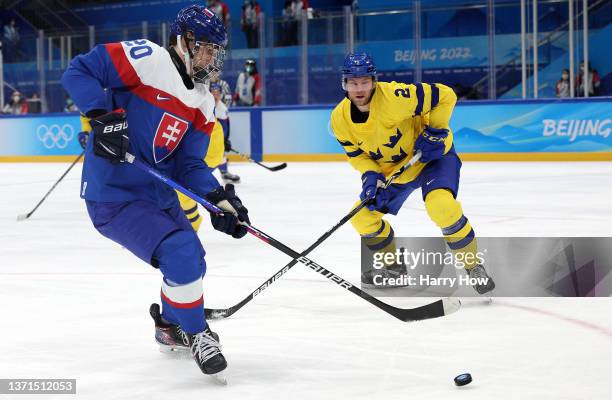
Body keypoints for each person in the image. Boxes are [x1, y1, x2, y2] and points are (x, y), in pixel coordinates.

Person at [61, 5, 250, 382]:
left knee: (192, 259)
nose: (212, 59)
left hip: (157, 193)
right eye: (207, 49)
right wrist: (101, 115)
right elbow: (79, 70)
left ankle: (169, 324)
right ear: (185, 41)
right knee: (180, 250)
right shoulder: (147, 59)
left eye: (216, 51)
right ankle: (197, 335)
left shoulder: (203, 102)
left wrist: (219, 199)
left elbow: (190, 164)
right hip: (114, 194)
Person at [329, 53, 495, 295]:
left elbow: (446, 96)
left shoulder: (396, 97)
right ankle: (394, 270)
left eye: (364, 81)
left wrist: (436, 131)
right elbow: (357, 155)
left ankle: (473, 267)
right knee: (362, 217)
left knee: (442, 207)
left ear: (374, 81)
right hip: (396, 172)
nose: (359, 88)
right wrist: (370, 175)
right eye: (353, 82)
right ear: (344, 84)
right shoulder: (339, 120)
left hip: (433, 159)